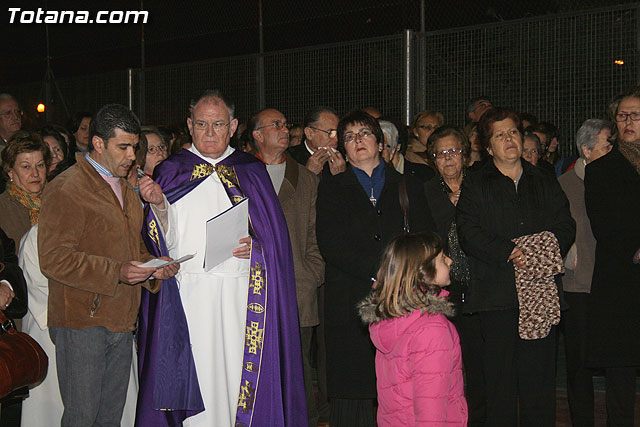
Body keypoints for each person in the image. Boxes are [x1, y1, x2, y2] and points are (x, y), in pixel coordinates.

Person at [137, 90, 306, 427]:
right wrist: (157, 206)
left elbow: (274, 243)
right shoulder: (171, 171)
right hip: (189, 297)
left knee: (233, 376)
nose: (210, 132)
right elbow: (159, 242)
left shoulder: (251, 171)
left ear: (233, 127)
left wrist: (256, 248)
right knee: (198, 372)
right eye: (201, 124)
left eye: (218, 124)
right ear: (189, 125)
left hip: (239, 296)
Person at [37, 103, 179, 427]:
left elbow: (133, 250)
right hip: (81, 322)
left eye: (134, 147)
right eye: (123, 147)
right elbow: (53, 258)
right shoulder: (67, 188)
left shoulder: (126, 189)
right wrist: (117, 271)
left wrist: (153, 267)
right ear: (98, 144)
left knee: (109, 420)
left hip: (120, 319)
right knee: (82, 418)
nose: (132, 156)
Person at [456, 107, 575, 426]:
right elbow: (468, 232)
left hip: (539, 295)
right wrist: (509, 251)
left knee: (539, 386)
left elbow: (565, 225)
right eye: (499, 134)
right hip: (497, 299)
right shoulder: (477, 182)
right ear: (488, 145)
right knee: (500, 386)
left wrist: (536, 251)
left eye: (513, 132)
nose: (508, 139)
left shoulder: (544, 179)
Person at [316, 110, 435, 426]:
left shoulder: (408, 185)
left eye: (365, 133)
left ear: (381, 143)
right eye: (350, 137)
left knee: (401, 388)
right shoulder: (331, 188)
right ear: (343, 148)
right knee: (353, 390)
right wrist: (379, 272)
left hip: (402, 299)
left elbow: (425, 238)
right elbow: (331, 244)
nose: (358, 141)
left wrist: (399, 276)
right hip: (352, 298)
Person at [250, 108, 325, 427]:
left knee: (298, 369)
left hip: (297, 288)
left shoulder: (306, 178)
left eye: (285, 123)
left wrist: (311, 275)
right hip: (251, 292)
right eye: (275, 124)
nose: (284, 129)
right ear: (257, 134)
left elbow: (316, 235)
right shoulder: (241, 175)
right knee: (255, 366)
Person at [358, 232, 468, 426]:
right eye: (442, 259)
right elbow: (430, 409)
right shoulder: (431, 329)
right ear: (423, 273)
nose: (450, 261)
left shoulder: (392, 320)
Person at [584, 86, 640, 425]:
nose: (628, 121)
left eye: (636, 115)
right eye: (622, 116)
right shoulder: (601, 170)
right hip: (622, 282)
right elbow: (607, 227)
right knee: (621, 374)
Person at [423, 125, 485, 425]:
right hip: (446, 287)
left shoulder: (481, 186)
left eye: (454, 152)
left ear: (466, 155)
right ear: (433, 160)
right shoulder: (426, 192)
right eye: (440, 154)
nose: (448, 159)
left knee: (480, 363)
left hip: (481, 283)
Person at [558, 118, 612, 426]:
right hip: (578, 286)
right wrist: (569, 256)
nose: (612, 151)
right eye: (606, 146)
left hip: (611, 283)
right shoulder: (564, 186)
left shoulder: (618, 179)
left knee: (615, 360)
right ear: (586, 150)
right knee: (578, 363)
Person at [0, 131, 50, 252]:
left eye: (40, 165)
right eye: (26, 167)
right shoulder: (3, 208)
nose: (35, 173)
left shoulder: (60, 200)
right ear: (10, 171)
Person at [287, 106, 346, 177]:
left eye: (338, 133)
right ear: (309, 133)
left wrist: (341, 176)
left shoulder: (342, 159)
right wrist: (308, 174)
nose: (336, 139)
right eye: (330, 133)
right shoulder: (289, 159)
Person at [405, 110, 441, 183]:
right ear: (416, 132)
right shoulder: (408, 155)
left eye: (436, 128)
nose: (433, 131)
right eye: (427, 127)